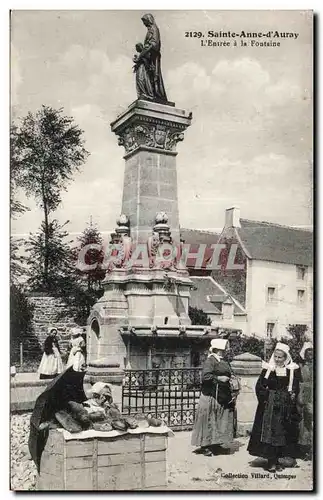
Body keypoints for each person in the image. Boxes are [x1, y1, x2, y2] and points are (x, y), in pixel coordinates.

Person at [247, 342, 301, 472]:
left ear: (286, 357)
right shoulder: (268, 369)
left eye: (280, 357)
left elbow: (295, 387)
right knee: (269, 434)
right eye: (275, 356)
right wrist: (266, 397)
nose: (277, 359)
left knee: (281, 433)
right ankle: (271, 462)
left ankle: (277, 460)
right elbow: (259, 386)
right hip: (270, 407)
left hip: (284, 407)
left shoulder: (292, 370)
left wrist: (292, 395)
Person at [191, 338, 236, 456]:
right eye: (224, 349)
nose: (226, 351)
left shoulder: (223, 360)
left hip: (221, 395)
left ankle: (216, 444)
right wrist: (219, 378)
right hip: (211, 395)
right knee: (208, 421)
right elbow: (205, 377)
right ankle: (205, 445)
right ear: (218, 350)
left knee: (218, 420)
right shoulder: (210, 361)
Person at [136, 13, 168, 102]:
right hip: (148, 58)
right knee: (148, 77)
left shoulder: (154, 29)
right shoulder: (150, 30)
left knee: (155, 77)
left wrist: (145, 51)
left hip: (153, 58)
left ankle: (157, 95)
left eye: (145, 21)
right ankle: (151, 95)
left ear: (149, 20)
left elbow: (155, 44)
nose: (144, 24)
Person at [297, 341, 313, 460]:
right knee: (306, 420)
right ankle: (306, 448)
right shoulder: (301, 367)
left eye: (312, 351)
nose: (311, 354)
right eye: (308, 352)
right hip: (306, 393)